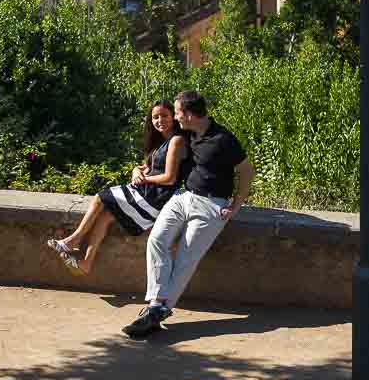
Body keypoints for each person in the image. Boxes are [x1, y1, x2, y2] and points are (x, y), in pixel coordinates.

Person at [122, 89, 254, 339]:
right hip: (183, 197)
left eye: (178, 112)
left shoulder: (224, 139)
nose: (175, 117)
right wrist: (137, 169)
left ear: (191, 114)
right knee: (157, 241)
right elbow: (159, 156)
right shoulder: (187, 134)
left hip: (212, 205)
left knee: (186, 257)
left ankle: (157, 310)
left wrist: (235, 206)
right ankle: (157, 307)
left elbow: (247, 171)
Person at [47, 100, 187, 275]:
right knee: (106, 216)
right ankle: (86, 263)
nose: (160, 120)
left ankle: (73, 241)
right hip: (147, 192)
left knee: (100, 197)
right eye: (155, 117)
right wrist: (136, 170)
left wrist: (144, 180)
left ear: (173, 116)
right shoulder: (160, 142)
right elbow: (146, 167)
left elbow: (169, 178)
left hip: (154, 199)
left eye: (164, 115)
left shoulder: (177, 141)